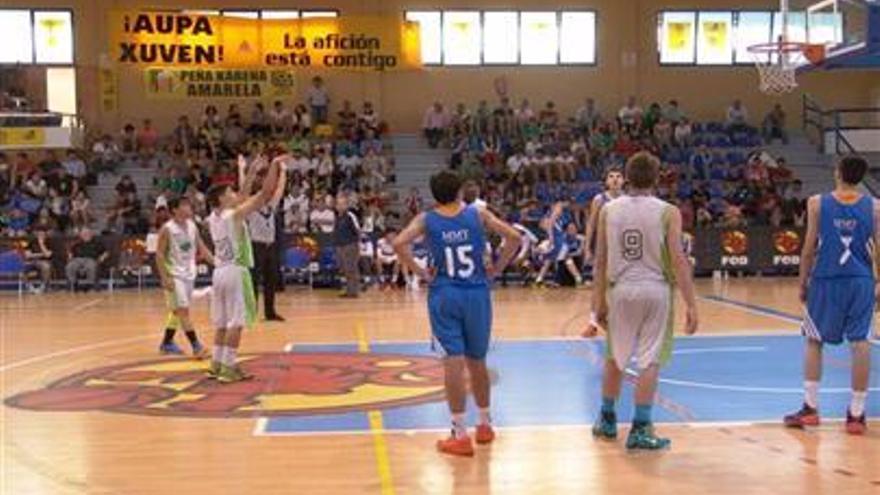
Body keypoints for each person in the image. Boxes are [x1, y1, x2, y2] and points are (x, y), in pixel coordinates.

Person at [393, 169, 521, 457]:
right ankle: (485, 425)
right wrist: (497, 269)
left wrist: (422, 273)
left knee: (453, 360)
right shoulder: (477, 215)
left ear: (434, 195)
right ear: (460, 191)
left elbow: (399, 243)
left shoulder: (427, 219)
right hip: (477, 293)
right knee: (478, 360)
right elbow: (514, 237)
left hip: (445, 294)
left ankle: (460, 433)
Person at [591, 151, 698, 450]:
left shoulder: (608, 210)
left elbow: (600, 260)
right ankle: (640, 428)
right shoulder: (668, 211)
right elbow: (678, 260)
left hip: (621, 289)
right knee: (649, 360)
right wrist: (691, 303)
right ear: (656, 177)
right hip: (655, 289)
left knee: (615, 358)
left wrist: (596, 302)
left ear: (626, 176)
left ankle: (607, 420)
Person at [785, 155, 878, 435]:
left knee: (814, 340)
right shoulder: (874, 207)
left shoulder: (816, 203)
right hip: (861, 280)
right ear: (861, 177)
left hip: (826, 280)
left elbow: (808, 248)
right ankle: (857, 414)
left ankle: (811, 409)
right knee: (860, 343)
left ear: (837, 173)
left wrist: (802, 282)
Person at [205, 153, 284, 383]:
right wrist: (274, 167)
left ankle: (216, 364)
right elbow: (265, 194)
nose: (234, 195)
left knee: (221, 323)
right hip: (235, 271)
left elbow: (241, 197)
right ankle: (229, 368)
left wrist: (249, 172)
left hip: (219, 272)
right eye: (229, 193)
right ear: (221, 199)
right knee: (236, 323)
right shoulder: (233, 216)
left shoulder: (213, 216)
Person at [155, 197, 214, 357]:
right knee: (184, 311)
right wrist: (164, 277)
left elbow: (202, 248)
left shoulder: (192, 226)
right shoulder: (167, 229)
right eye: (185, 205)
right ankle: (196, 346)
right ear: (175, 209)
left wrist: (217, 263)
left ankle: (166, 343)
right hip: (175, 275)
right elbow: (159, 255)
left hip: (189, 273)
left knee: (176, 311)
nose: (189, 207)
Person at [582, 167, 625, 335]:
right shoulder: (599, 199)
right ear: (606, 181)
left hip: (622, 248)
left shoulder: (628, 200)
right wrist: (587, 248)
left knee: (621, 287)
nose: (615, 179)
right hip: (603, 247)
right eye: (611, 176)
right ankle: (592, 323)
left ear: (624, 180)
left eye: (618, 176)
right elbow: (591, 224)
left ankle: (618, 321)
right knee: (598, 286)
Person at [245, 155, 287, 322]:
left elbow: (279, 189)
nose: (268, 194)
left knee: (271, 281)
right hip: (256, 246)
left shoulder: (271, 205)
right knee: (254, 281)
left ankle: (270, 312)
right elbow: (245, 190)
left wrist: (283, 172)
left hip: (270, 246)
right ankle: (252, 312)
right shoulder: (251, 207)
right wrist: (247, 171)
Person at [334, 192, 362, 298]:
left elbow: (357, 231)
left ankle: (353, 291)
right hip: (340, 245)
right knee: (344, 269)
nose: (340, 206)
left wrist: (358, 246)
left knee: (351, 268)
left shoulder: (350, 216)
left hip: (350, 245)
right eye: (338, 204)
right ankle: (349, 289)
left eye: (342, 204)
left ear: (346, 205)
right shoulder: (337, 217)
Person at [66, 228, 109, 292]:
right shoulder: (76, 243)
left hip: (91, 259)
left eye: (88, 234)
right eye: (84, 234)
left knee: (91, 266)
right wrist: (70, 256)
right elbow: (70, 252)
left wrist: (101, 258)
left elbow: (106, 252)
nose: (86, 235)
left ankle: (90, 285)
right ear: (80, 235)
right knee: (70, 266)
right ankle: (73, 284)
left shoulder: (97, 243)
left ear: (91, 235)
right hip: (77, 260)